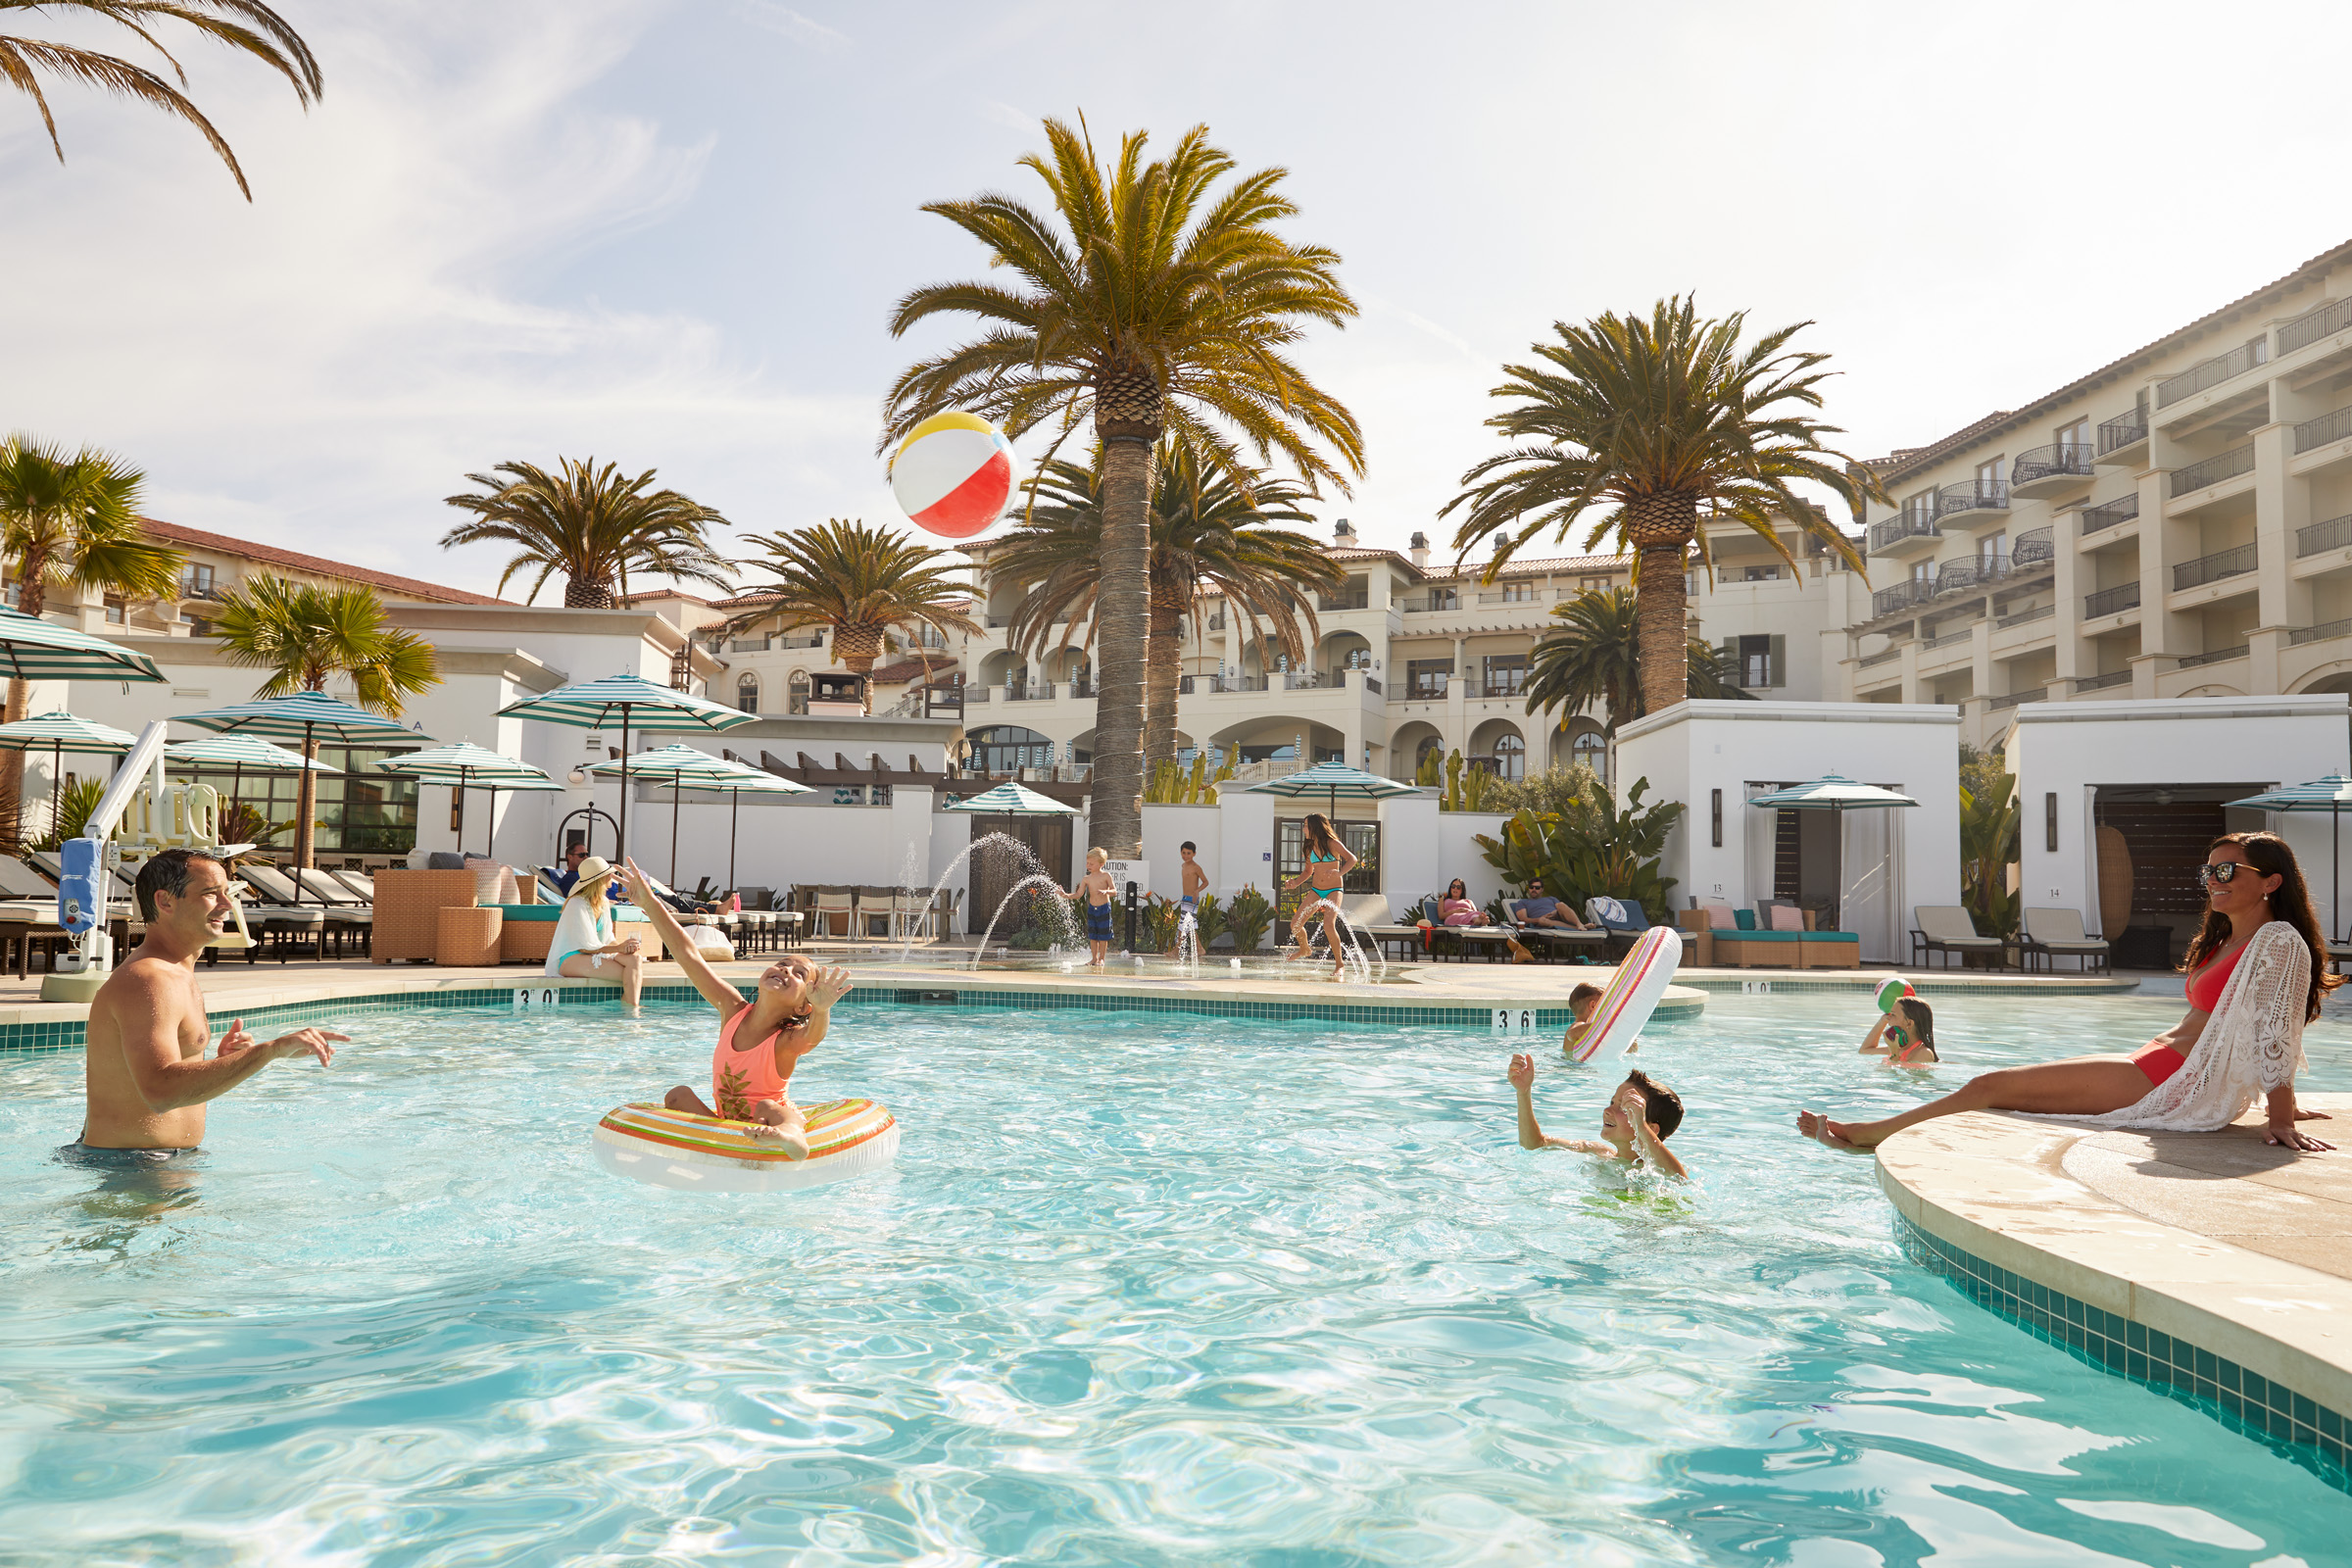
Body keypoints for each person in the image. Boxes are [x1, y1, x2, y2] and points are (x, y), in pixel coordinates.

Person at [1798, 831, 2342, 1152]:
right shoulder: (2228, 939)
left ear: (2271, 881)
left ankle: (1875, 1133)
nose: (2214, 879)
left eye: (2228, 869)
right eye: (2209, 870)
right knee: (2005, 1090)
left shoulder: (2276, 940)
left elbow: (2277, 1028)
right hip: (2154, 1061)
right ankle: (1879, 1131)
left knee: (1989, 1084)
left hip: (2168, 1078)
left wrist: (2281, 1115)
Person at [70, 848, 345, 1162]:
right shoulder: (150, 978)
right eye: (211, 894)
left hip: (149, 1160)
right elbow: (160, 1091)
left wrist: (223, 1062)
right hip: (134, 1164)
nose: (227, 905)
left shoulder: (175, 972)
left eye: (227, 893)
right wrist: (269, 1051)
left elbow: (145, 1080)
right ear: (165, 902)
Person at [627, 858, 854, 1154]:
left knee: (767, 1105)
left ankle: (792, 1136)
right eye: (783, 964)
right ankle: (718, 1147)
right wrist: (649, 903)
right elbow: (688, 956)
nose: (786, 971)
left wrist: (822, 1010)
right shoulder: (732, 1008)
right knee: (677, 1096)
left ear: (802, 1008)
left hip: (770, 1119)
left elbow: (812, 1037)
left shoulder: (785, 1040)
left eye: (799, 975)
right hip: (729, 1125)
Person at [1506, 1054, 1689, 1178]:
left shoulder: (1653, 1171)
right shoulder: (1596, 1151)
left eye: (1625, 1109)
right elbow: (1535, 1145)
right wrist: (1523, 1092)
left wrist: (1641, 1128)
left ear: (1651, 1128)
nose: (1608, 1111)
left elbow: (1681, 1181)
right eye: (1612, 1102)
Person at [547, 855, 646, 1008]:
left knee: (635, 960)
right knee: (630, 975)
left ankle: (632, 1008)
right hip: (571, 957)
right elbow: (584, 946)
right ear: (599, 879)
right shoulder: (576, 904)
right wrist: (618, 949)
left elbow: (608, 939)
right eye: (608, 875)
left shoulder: (603, 903)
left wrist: (625, 948)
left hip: (592, 953)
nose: (611, 878)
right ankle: (631, 1012)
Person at [1283, 812, 1357, 978]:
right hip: (1316, 890)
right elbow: (1308, 871)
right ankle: (1305, 949)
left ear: (1315, 827)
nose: (1303, 829)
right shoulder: (1309, 848)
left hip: (1334, 890)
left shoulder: (1333, 843)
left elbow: (1352, 859)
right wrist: (1295, 882)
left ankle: (1340, 965)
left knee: (1329, 925)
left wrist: (1340, 874)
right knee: (1295, 924)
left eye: (1305, 826)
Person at [1063, 847, 1116, 967]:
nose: (1088, 865)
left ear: (1101, 864)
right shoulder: (1086, 879)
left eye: (1091, 863)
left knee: (1103, 937)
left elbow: (1114, 891)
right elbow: (1078, 894)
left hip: (1104, 908)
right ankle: (1093, 958)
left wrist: (1106, 892)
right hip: (1092, 909)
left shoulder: (1106, 876)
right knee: (1093, 936)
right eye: (1087, 863)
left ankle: (1101, 959)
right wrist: (1066, 895)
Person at [1860, 996, 1938, 1066]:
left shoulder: (1923, 1053)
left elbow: (1901, 1079)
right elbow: (1864, 1050)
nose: (1889, 1018)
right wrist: (1882, 1021)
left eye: (1893, 1015)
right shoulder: (1898, 1048)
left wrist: (1894, 1053)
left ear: (1909, 1023)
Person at [1178, 841, 1208, 915]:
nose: (1186, 856)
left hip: (1192, 898)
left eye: (1189, 853)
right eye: (1183, 853)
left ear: (1194, 854)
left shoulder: (1196, 868)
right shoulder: (1183, 866)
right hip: (1184, 897)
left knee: (1190, 922)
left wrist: (1197, 891)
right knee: (1184, 923)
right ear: (1180, 852)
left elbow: (1206, 882)